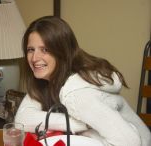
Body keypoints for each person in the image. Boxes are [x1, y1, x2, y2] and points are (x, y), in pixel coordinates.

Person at [15, 16, 151, 146]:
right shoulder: (47, 81)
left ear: (62, 51)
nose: (34, 58)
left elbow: (130, 142)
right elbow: (23, 118)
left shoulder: (77, 94)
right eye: (31, 50)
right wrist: (79, 123)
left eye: (45, 50)